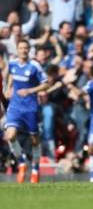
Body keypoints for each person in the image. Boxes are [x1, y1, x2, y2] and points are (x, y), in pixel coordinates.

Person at [3, 39, 49, 183]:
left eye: (25, 48)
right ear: (17, 50)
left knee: (35, 140)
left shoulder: (35, 65)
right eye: (20, 48)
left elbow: (46, 84)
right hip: (15, 106)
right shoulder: (12, 63)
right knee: (10, 136)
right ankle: (22, 162)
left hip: (30, 107)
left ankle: (35, 168)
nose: (23, 50)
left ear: (29, 50)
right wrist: (7, 88)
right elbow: (10, 75)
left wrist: (30, 90)